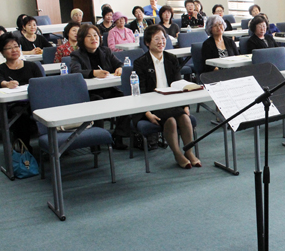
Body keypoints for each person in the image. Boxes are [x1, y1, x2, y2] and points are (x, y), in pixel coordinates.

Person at [132, 25, 200, 169]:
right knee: (170, 121)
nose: (161, 42)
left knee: (184, 118)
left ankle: (189, 151)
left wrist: (185, 106)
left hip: (171, 100)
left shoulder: (171, 58)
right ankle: (177, 154)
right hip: (153, 104)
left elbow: (178, 84)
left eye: (163, 38)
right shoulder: (141, 63)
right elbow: (141, 92)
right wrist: (147, 113)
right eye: (156, 39)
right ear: (147, 43)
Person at [70, 24, 130, 150]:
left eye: (96, 35)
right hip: (90, 93)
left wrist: (119, 68)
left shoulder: (105, 51)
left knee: (125, 100)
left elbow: (119, 64)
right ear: (82, 39)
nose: (93, 38)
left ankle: (118, 136)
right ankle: (96, 140)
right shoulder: (77, 55)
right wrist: (93, 73)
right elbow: (75, 72)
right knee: (98, 103)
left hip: (108, 89)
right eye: (89, 36)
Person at [0, 32, 42, 150]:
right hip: (14, 104)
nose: (14, 50)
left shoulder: (32, 66)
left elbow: (42, 83)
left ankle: (54, 144)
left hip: (34, 101)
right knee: (20, 115)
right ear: (2, 51)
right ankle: (24, 148)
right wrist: (7, 84)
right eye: (9, 48)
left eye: (16, 46)